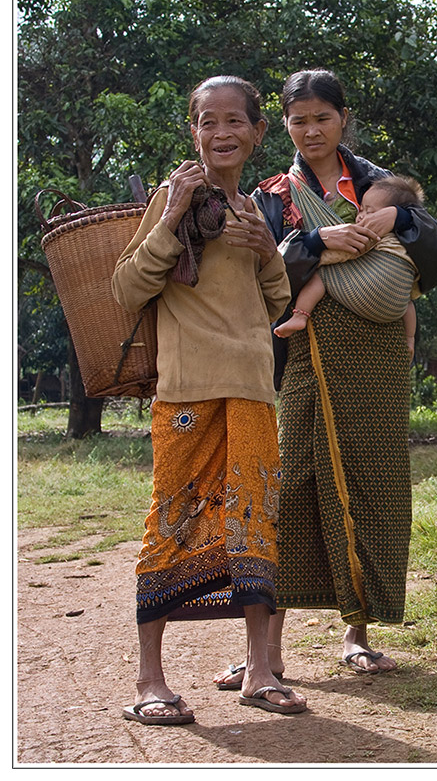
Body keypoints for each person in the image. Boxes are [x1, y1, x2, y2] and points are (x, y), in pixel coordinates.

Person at [213, 68, 437, 687]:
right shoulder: (272, 195)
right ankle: (266, 650)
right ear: (286, 126)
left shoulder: (381, 186)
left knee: (371, 481)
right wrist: (316, 241)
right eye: (299, 120)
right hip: (307, 354)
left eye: (323, 118)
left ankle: (358, 634)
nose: (312, 130)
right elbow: (256, 269)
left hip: (376, 360)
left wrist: (397, 223)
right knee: (291, 484)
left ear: (343, 118)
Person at [112, 75, 306, 723]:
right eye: (208, 122)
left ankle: (258, 671)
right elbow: (127, 288)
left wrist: (265, 252)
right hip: (187, 389)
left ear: (256, 132)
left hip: (252, 388)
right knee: (173, 517)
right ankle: (149, 681)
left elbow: (277, 301)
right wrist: (169, 220)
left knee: (255, 520)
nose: (221, 133)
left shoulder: (254, 207)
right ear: (193, 132)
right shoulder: (177, 195)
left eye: (234, 122)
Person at [274, 175, 425, 357]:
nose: (361, 216)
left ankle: (300, 315)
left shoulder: (372, 234)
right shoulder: (407, 238)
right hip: (397, 307)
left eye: (370, 212)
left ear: (390, 214)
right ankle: (410, 339)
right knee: (409, 300)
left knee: (320, 275)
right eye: (361, 209)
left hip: (371, 293)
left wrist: (316, 252)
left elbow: (343, 253)